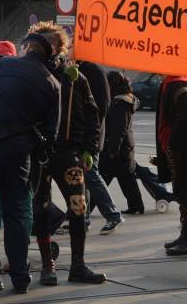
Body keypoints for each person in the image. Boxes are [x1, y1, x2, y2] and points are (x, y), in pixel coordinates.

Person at [0, 32, 60, 297]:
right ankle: (21, 277)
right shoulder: (53, 84)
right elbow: (51, 134)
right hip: (21, 153)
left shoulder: (6, 65)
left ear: (28, 47)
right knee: (17, 212)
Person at [28, 21, 106, 286]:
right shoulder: (32, 76)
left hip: (68, 152)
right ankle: (47, 266)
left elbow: (93, 116)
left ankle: (77, 265)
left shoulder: (76, 79)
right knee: (41, 209)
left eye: (51, 45)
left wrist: (89, 150)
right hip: (39, 153)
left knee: (78, 207)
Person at [157, 76, 187, 255]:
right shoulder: (175, 82)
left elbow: (186, 120)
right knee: (182, 191)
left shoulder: (178, 84)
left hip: (184, 150)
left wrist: (172, 143)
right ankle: (185, 235)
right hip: (181, 148)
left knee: (186, 192)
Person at [77, 57, 123, 234]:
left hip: (90, 135)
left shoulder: (93, 71)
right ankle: (83, 218)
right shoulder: (80, 69)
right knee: (83, 178)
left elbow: (101, 107)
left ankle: (113, 214)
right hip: (82, 134)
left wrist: (92, 135)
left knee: (91, 175)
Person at [101, 71, 146, 214]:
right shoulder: (127, 100)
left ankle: (86, 209)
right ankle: (136, 206)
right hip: (126, 145)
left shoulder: (119, 103)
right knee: (126, 178)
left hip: (117, 146)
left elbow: (118, 129)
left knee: (101, 179)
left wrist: (112, 151)